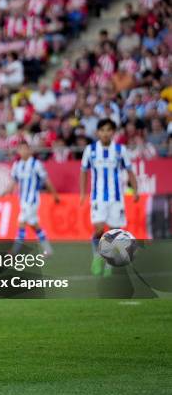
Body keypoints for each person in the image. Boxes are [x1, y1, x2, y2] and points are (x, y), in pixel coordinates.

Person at [80, 118, 139, 276]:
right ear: (98, 132)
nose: (105, 133)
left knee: (114, 232)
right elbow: (84, 171)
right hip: (98, 198)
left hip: (116, 198)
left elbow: (130, 170)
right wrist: (82, 193)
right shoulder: (90, 149)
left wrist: (136, 190)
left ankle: (109, 264)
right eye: (102, 130)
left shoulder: (120, 150)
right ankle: (96, 256)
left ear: (113, 132)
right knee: (99, 229)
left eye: (108, 130)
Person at [3, 142, 59, 255]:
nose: (23, 151)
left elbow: (46, 180)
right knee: (35, 225)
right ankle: (48, 250)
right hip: (22, 200)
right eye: (20, 149)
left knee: (21, 223)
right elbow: (14, 181)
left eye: (25, 149)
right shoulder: (17, 165)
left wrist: (54, 194)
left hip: (32, 200)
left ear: (29, 150)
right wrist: (5, 192)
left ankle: (15, 252)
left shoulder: (36, 164)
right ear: (18, 151)